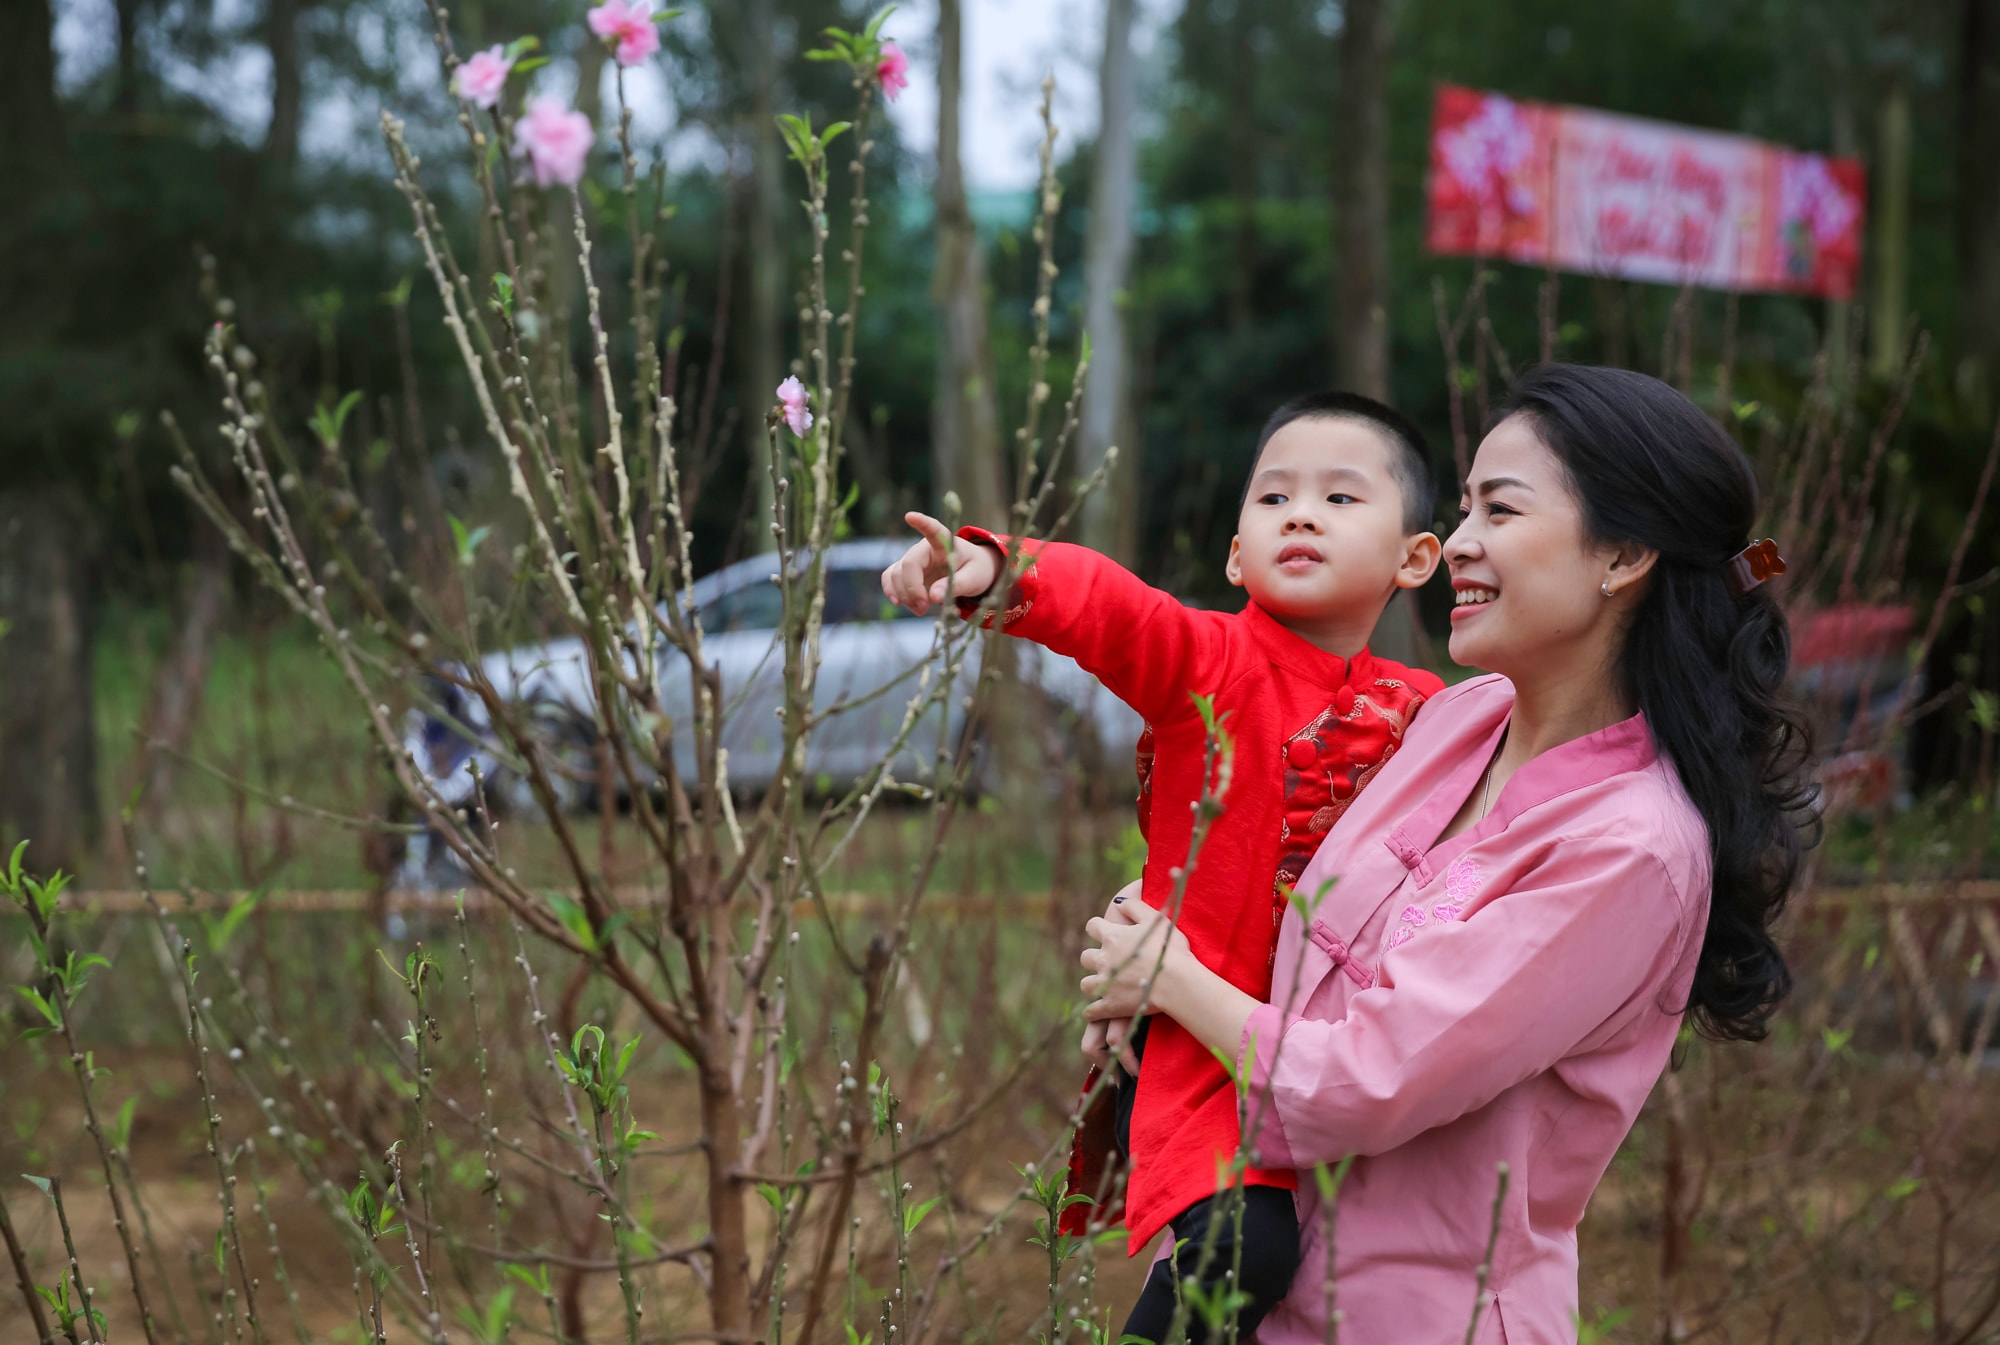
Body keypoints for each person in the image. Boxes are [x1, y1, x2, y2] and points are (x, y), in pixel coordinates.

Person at [1080, 365, 1816, 1342]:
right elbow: (1281, 877)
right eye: (1462, 507)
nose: (1456, 545)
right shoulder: (1453, 719)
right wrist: (1161, 927)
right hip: (1247, 1290)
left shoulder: (1631, 847)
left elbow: (1357, 1082)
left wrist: (1175, 981)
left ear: (1623, 553)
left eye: (1498, 511)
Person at [882, 393, 1446, 1341]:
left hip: (1326, 1051)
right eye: (1274, 499)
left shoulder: (1430, 712)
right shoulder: (1209, 666)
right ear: (1236, 554)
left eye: (1341, 498)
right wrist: (992, 566)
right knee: (1244, 1247)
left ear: (1416, 557)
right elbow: (1111, 607)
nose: (1300, 514)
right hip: (1195, 1035)